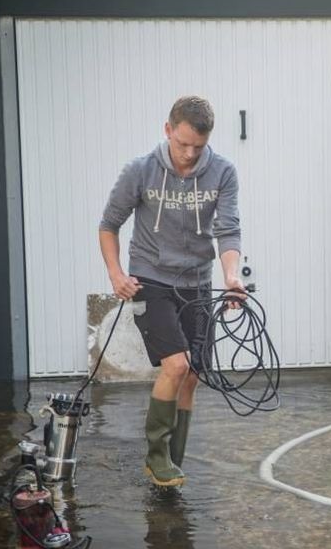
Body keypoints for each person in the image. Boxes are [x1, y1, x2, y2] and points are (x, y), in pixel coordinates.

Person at [99, 95, 243, 487]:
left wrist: (232, 277)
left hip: (197, 281)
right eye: (182, 144)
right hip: (152, 279)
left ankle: (172, 460)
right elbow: (109, 225)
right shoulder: (140, 171)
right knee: (175, 365)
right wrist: (115, 275)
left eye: (198, 146)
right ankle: (156, 454)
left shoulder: (223, 172)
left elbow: (228, 232)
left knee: (194, 373)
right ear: (168, 130)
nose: (190, 153)